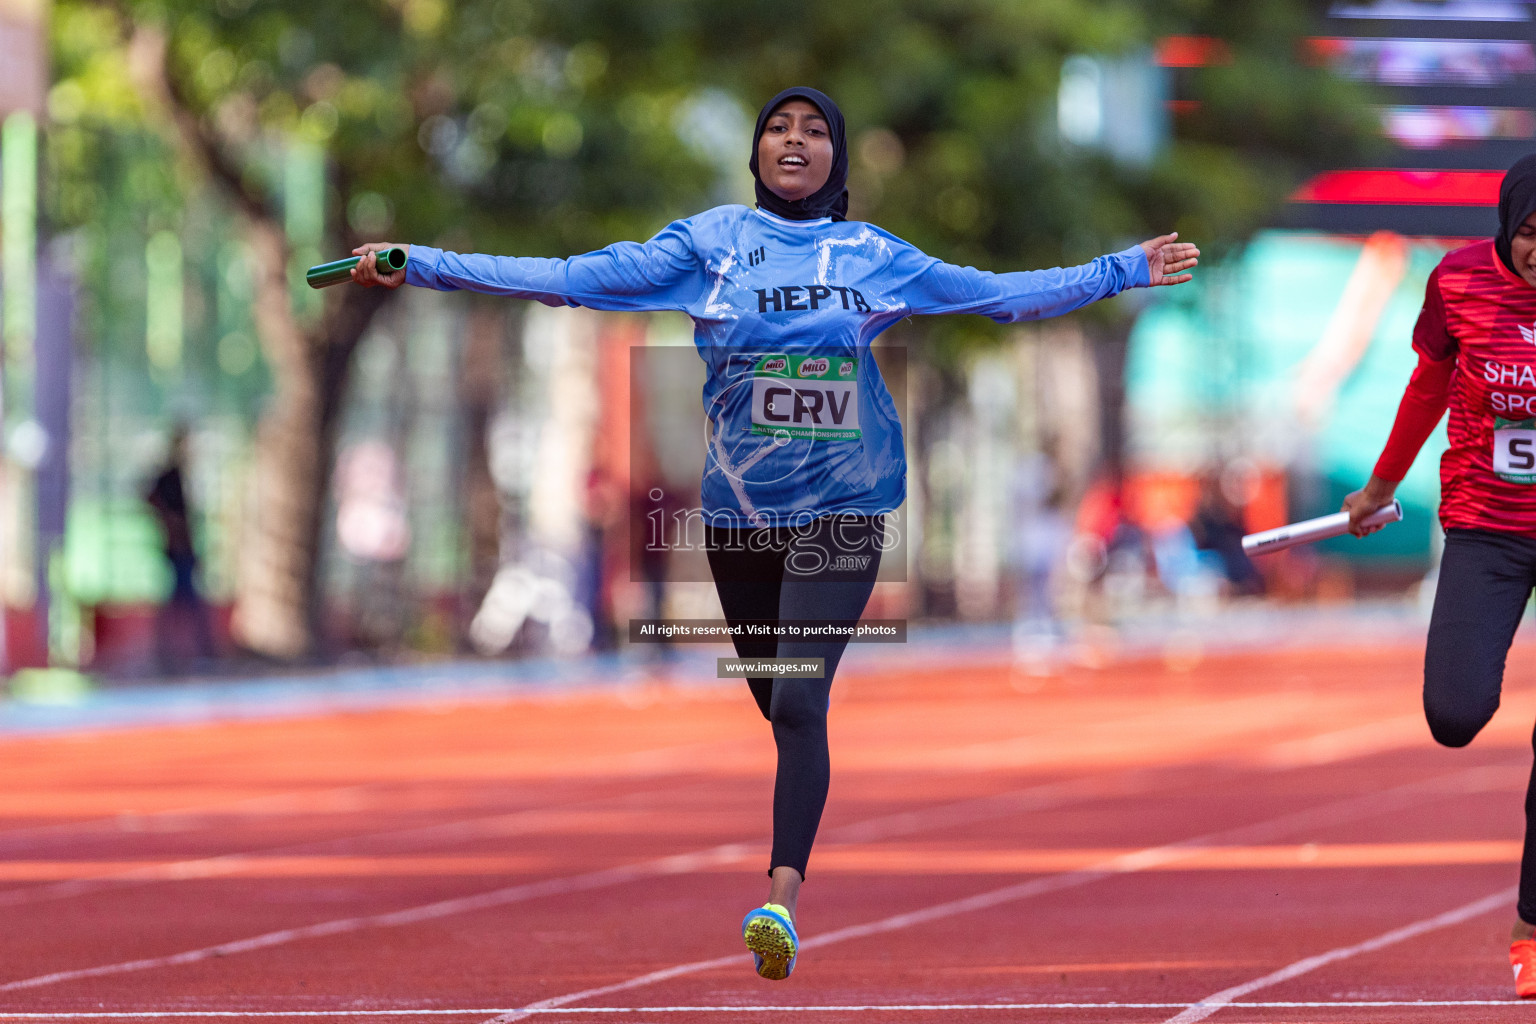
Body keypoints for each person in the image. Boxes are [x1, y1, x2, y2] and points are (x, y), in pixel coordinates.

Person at [351, 86, 1198, 981]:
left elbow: (997, 298)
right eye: (777, 129)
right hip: (741, 518)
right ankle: (805, 766)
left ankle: (780, 903)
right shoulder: (705, 244)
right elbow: (564, 280)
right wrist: (423, 263)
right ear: (757, 153)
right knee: (779, 701)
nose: (794, 141)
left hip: (847, 505)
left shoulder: (874, 256)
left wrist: (1118, 270)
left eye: (815, 129)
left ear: (838, 156)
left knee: (797, 700)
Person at [1343, 153, 1536, 998]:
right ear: (1508, 226)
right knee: (1455, 714)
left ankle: (1533, 926)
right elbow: (1427, 383)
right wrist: (1382, 483)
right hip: (1487, 530)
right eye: (1533, 235)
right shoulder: (1456, 282)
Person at [144, 424, 217, 674]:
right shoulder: (170, 476)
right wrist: (170, 526)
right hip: (177, 547)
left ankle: (175, 651)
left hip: (182, 545)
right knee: (188, 600)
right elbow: (150, 498)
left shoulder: (180, 476)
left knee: (182, 599)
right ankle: (190, 651)